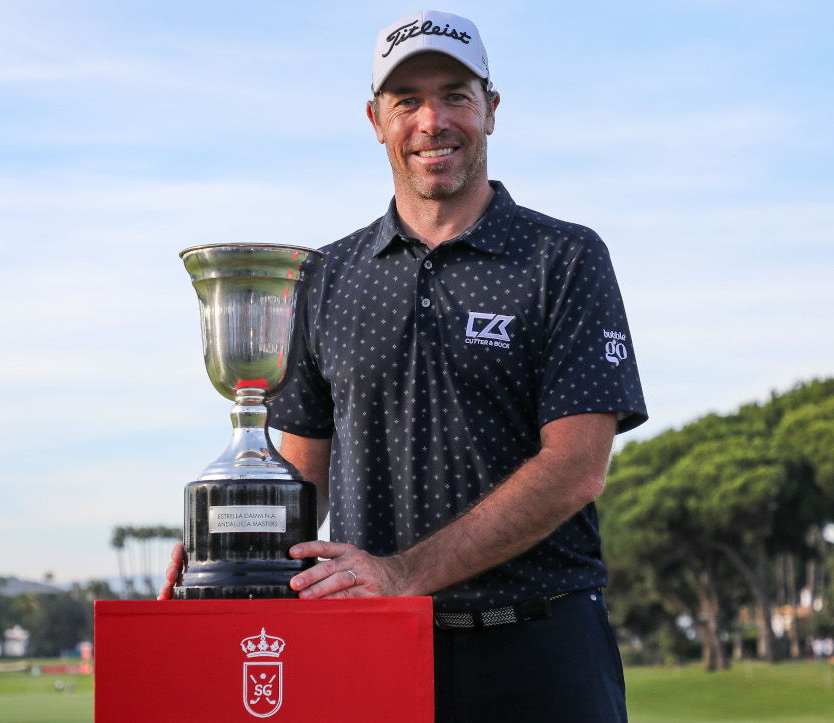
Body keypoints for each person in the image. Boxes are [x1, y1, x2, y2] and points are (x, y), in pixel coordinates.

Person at [163, 10, 647, 722]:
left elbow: (577, 464)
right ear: (375, 119)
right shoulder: (325, 275)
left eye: (455, 94)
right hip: (371, 651)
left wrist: (401, 575)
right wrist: (232, 555)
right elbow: (301, 475)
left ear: (491, 109)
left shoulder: (564, 258)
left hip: (542, 649)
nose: (432, 120)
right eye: (407, 101)